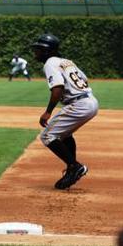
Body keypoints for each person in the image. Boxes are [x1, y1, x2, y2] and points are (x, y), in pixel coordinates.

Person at [31, 34, 98, 190]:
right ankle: (71, 170)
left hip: (79, 105)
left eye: (39, 50)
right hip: (90, 100)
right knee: (65, 134)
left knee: (47, 135)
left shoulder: (49, 63)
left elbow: (57, 88)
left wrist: (48, 112)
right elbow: (84, 78)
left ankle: (74, 166)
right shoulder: (66, 61)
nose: (36, 53)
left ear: (47, 51)